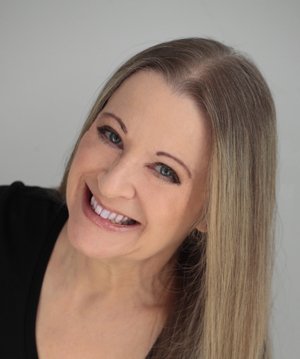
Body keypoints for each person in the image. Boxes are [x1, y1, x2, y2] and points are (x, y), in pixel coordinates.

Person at [0, 38, 277, 359]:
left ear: (211, 213)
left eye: (163, 170)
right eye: (112, 135)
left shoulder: (221, 349)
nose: (111, 183)